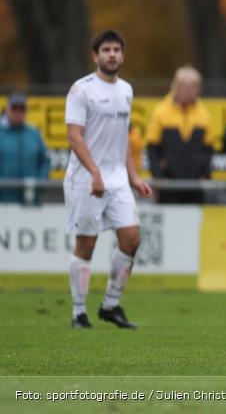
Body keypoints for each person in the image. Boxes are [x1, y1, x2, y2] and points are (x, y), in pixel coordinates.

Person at [65, 30, 153, 329]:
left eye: (117, 49)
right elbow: (74, 137)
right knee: (86, 245)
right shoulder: (81, 90)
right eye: (106, 50)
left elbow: (124, 138)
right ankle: (79, 312)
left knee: (132, 238)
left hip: (117, 180)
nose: (112, 54)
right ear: (95, 56)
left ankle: (110, 305)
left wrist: (134, 176)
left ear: (122, 55)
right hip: (86, 179)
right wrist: (94, 172)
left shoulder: (126, 90)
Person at [146, 66, 213, 203]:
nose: (188, 91)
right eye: (184, 87)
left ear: (198, 90)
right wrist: (158, 175)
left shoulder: (204, 113)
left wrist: (205, 174)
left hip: (195, 183)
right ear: (176, 87)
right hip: (169, 183)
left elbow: (209, 149)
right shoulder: (161, 111)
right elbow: (152, 147)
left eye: (193, 87)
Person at [0, 92, 50, 204]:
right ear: (7, 109)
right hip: (3, 202)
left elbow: (45, 161)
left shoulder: (34, 134)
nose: (18, 112)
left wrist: (38, 184)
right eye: (14, 108)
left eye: (21, 109)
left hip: (30, 202)